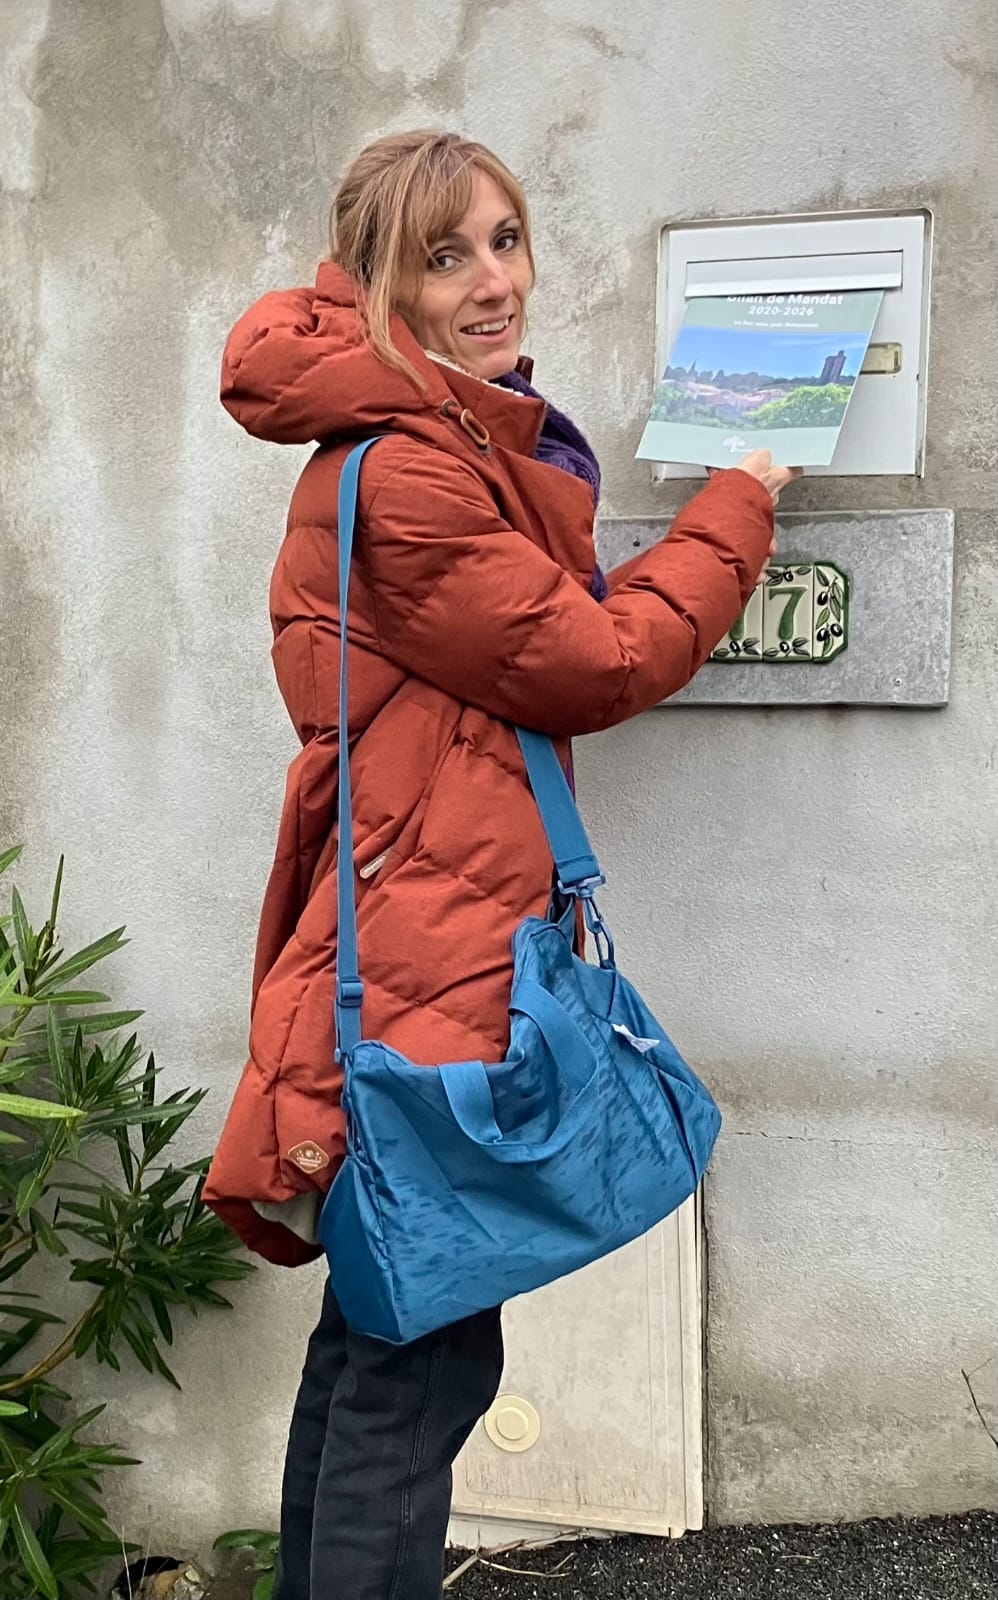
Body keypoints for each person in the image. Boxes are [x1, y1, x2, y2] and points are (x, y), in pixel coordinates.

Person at [203, 130, 799, 1600]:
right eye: (444, 257)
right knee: (415, 1369)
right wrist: (740, 502)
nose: (491, 283)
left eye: (505, 240)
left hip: (433, 930)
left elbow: (540, 630)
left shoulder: (443, 439)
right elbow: (593, 660)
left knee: (381, 1346)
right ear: (377, 287)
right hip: (437, 962)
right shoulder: (410, 472)